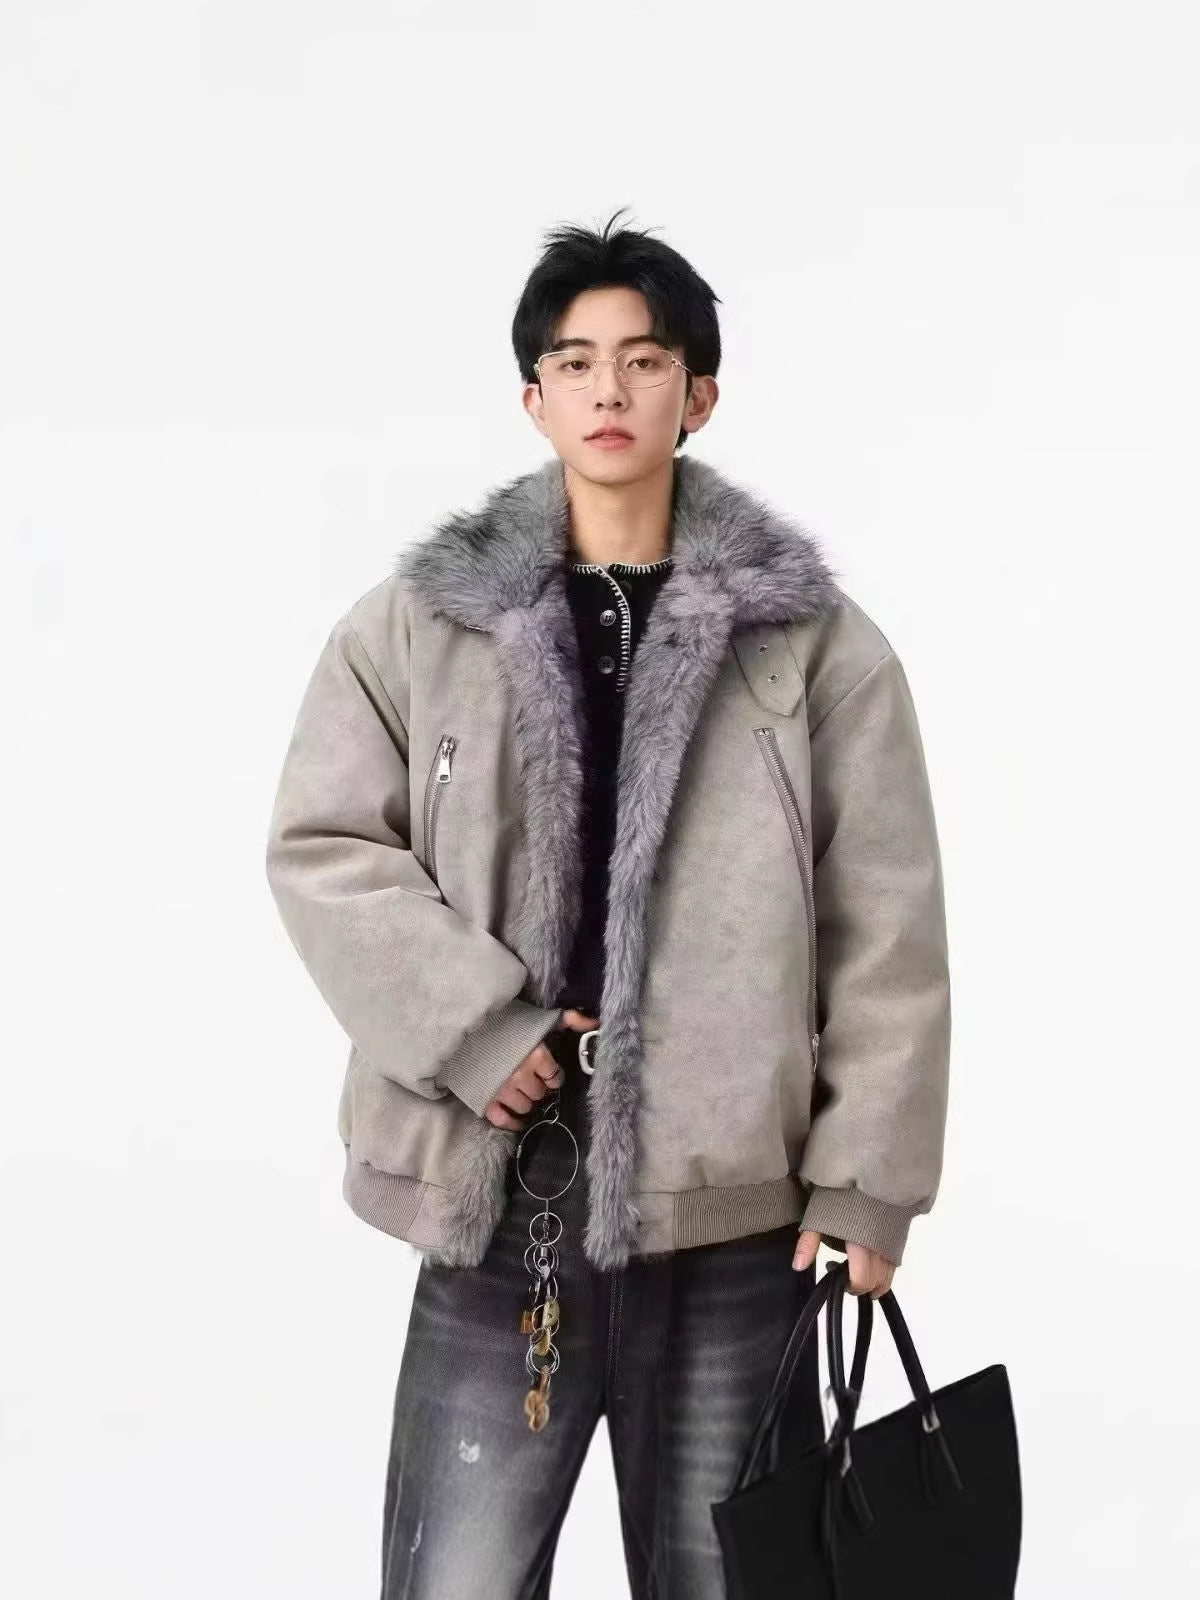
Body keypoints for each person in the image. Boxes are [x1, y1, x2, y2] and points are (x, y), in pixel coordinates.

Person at [264, 207, 951, 1599]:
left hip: (734, 1216)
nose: (609, 391)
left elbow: (886, 923)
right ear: (534, 399)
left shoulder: (813, 646)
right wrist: (478, 1030)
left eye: (644, 360)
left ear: (699, 393)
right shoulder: (421, 624)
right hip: (500, 1189)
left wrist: (867, 1182)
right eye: (574, 364)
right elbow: (325, 846)